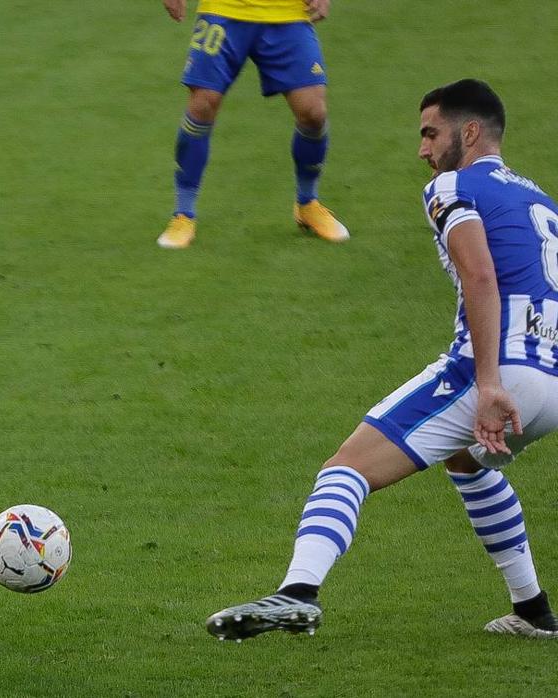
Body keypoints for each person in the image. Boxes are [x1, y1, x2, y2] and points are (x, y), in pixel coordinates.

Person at [206, 80, 558, 641]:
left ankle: (298, 593)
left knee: (345, 469)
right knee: (467, 460)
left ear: (468, 133)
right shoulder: (540, 198)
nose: (422, 149)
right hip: (550, 383)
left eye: (430, 132)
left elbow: (480, 275)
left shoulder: (452, 186)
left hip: (495, 373)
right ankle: (533, 611)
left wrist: (489, 382)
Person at [156, 0, 348, 248]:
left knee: (313, 111)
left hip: (288, 13)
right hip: (223, 10)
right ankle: (183, 214)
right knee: (203, 103)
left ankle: (307, 203)